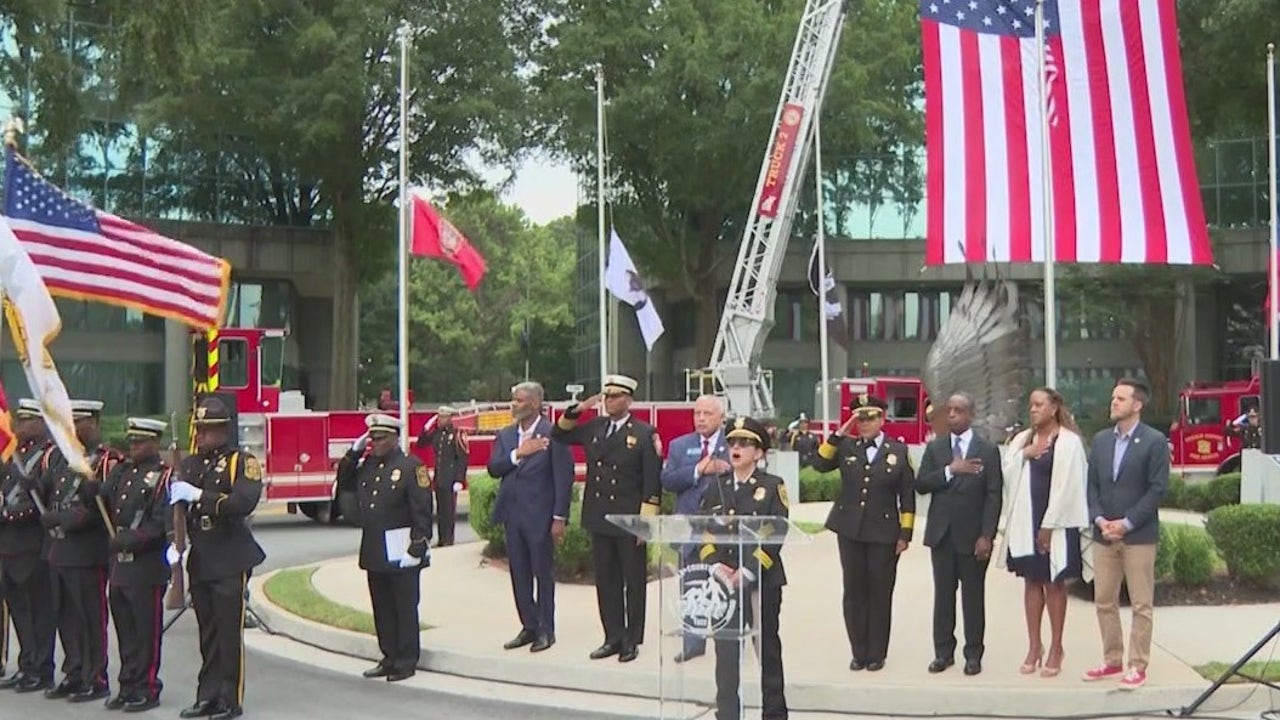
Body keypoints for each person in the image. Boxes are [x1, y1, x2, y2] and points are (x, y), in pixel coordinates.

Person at [168, 396, 266, 720]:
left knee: (227, 633)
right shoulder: (192, 464)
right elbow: (178, 511)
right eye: (199, 430)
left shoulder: (242, 462)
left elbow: (242, 503)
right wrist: (174, 543)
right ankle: (207, 695)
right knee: (207, 633)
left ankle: (230, 698)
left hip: (230, 558)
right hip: (202, 559)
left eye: (207, 430)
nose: (202, 436)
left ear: (223, 430)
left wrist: (199, 496)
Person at [552, 374, 661, 663]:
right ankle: (612, 636)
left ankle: (631, 639)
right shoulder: (596, 427)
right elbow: (559, 434)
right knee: (607, 580)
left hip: (629, 519)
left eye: (615, 397)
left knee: (633, 581)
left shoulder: (643, 433)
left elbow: (652, 483)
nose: (609, 401)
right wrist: (577, 410)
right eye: (606, 396)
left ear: (628, 400)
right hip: (599, 516)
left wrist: (645, 523)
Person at [813, 394, 915, 672]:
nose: (865, 423)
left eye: (870, 418)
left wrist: (905, 533)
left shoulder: (898, 451)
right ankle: (858, 651)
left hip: (883, 532)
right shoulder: (846, 447)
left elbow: (907, 495)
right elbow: (819, 465)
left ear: (882, 419)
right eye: (859, 418)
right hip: (850, 529)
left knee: (880, 592)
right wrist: (836, 435)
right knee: (854, 591)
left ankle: (876, 653)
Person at [697, 416, 789, 720]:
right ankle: (727, 713)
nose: (736, 448)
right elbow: (704, 531)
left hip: (761, 579)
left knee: (767, 650)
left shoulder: (772, 487)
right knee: (725, 653)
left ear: (759, 452)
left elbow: (775, 533)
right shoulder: (717, 486)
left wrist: (747, 571)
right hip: (723, 582)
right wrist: (715, 566)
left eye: (745, 443)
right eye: (732, 443)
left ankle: (774, 713)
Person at [995, 388, 1088, 679]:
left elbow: (1070, 486)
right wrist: (1026, 454)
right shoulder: (1023, 439)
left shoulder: (1070, 442)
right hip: (1026, 523)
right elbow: (1007, 471)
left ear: (1054, 407)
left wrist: (1049, 524)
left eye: (1039, 404)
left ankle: (1056, 648)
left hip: (1057, 525)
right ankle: (1034, 646)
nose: (1033, 409)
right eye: (1030, 404)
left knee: (1054, 584)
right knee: (1032, 583)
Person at [1083, 379, 1169, 690]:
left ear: (1137, 404)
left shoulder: (1154, 441)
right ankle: (1112, 659)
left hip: (1138, 537)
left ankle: (1137, 665)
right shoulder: (1102, 440)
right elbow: (1091, 485)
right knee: (1104, 600)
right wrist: (1100, 518)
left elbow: (1158, 488)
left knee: (1140, 604)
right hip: (1104, 534)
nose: (1113, 402)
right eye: (1113, 397)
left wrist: (1128, 522)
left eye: (1120, 398)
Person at [336, 413, 433, 682]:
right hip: (376, 548)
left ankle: (406, 659)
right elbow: (344, 482)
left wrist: (417, 547)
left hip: (403, 548)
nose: (374, 443)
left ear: (394, 438)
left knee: (404, 606)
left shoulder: (412, 466)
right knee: (382, 606)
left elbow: (422, 511)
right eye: (372, 438)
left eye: (380, 438)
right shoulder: (368, 465)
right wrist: (352, 455)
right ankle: (388, 656)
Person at [914, 392, 1003, 676]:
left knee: (973, 598)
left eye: (958, 410)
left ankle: (973, 654)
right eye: (949, 410)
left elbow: (993, 496)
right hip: (942, 536)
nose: (952, 415)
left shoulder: (987, 451)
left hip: (973, 537)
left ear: (971, 414)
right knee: (943, 597)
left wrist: (986, 535)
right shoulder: (936, 449)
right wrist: (950, 470)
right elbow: (922, 484)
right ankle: (943, 653)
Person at [40, 398, 121, 702]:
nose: (75, 429)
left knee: (90, 617)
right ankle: (74, 671)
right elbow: (49, 493)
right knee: (66, 617)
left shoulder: (104, 462)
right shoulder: (62, 459)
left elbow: (102, 510)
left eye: (82, 423)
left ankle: (95, 677)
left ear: (95, 424)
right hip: (59, 551)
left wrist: (64, 519)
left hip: (88, 552)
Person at [487, 381, 574, 653]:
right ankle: (529, 625)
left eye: (520, 400)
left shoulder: (553, 434)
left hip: (540, 517)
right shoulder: (506, 435)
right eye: (513, 400)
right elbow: (493, 468)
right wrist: (517, 454)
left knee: (542, 574)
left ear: (536, 403)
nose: (514, 405)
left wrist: (559, 518)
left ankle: (546, 630)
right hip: (513, 516)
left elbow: (564, 478)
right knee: (519, 574)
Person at [101, 417, 174, 711]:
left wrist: (133, 539)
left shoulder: (163, 477)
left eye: (140, 442)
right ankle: (128, 683)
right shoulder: (123, 472)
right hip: (120, 566)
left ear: (154, 443)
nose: (134, 446)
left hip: (146, 566)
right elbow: (104, 499)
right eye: (131, 441)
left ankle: (148, 687)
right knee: (125, 631)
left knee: (146, 632)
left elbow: (160, 525)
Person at [659, 394, 730, 663]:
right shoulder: (680, 446)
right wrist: (699, 468)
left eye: (707, 414)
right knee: (691, 585)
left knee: (724, 585)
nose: (701, 418)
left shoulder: (734, 442)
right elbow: (668, 480)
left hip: (722, 528)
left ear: (721, 417)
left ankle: (729, 640)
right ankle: (693, 642)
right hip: (688, 526)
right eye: (697, 413)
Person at [0, 399, 56, 693]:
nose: (19, 427)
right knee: (19, 610)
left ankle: (42, 668)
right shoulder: (14, 455)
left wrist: (9, 512)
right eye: (18, 421)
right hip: (8, 545)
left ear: (40, 423)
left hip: (32, 545)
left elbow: (42, 502)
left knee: (38, 610)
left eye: (26, 421)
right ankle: (27, 664)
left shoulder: (48, 456)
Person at [417, 406, 468, 547]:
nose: (440, 420)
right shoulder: (437, 433)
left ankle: (448, 539)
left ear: (450, 418)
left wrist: (459, 479)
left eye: (443, 417)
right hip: (439, 478)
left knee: (449, 512)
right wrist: (427, 426)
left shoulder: (457, 434)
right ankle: (441, 539)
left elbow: (462, 458)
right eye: (439, 417)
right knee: (440, 511)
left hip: (451, 478)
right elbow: (421, 443)